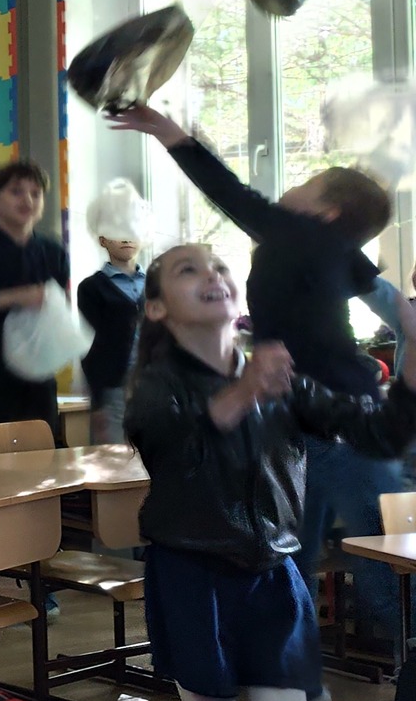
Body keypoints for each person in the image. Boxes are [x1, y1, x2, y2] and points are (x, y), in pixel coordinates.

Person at [118, 242, 416, 701]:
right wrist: (247, 388)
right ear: (157, 307)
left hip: (275, 585)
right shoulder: (156, 385)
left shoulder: (280, 375)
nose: (212, 276)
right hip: (194, 585)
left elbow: (379, 431)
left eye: (218, 266)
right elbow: (176, 453)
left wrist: (410, 353)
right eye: (188, 270)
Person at [113, 104, 399, 645]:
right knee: (316, 548)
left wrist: (176, 137)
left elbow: (233, 194)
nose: (292, 189)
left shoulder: (298, 234)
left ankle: (322, 649)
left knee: (343, 553)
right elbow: (391, 302)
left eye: (307, 185)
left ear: (326, 213)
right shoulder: (326, 249)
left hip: (329, 421)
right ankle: (310, 652)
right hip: (314, 416)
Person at [0, 159, 71, 444]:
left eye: (36, 193)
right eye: (16, 191)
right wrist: (10, 298)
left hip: (39, 374)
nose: (28, 200)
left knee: (43, 456)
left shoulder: (53, 251)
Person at [76, 224, 144, 446]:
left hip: (155, 384)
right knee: (112, 455)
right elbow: (90, 347)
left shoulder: (157, 284)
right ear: (103, 240)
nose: (126, 238)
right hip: (114, 388)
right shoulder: (91, 288)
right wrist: (97, 402)